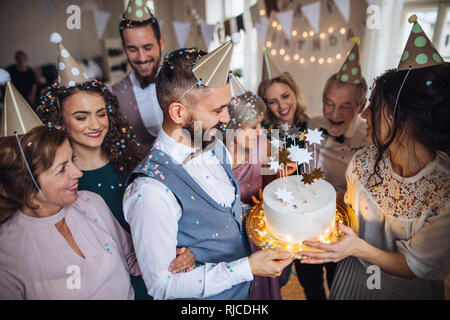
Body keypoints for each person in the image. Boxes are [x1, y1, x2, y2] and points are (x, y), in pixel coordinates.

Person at [123, 47, 293, 300]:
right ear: (178, 112)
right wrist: (247, 268)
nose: (226, 118)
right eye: (217, 110)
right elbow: (162, 286)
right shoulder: (150, 192)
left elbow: (230, 212)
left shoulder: (214, 146)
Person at [37, 35, 194, 300]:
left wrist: (185, 251)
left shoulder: (135, 164)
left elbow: (170, 219)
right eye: (81, 117)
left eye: (101, 114)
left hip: (153, 278)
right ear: (60, 122)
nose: (95, 124)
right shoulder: (58, 184)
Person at [299, 62, 450, 299]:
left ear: (403, 118)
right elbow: (349, 211)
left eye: (373, 106)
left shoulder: (444, 187)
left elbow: (415, 266)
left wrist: (357, 247)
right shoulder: (363, 160)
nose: (364, 114)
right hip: (355, 276)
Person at [0, 126, 141, 299]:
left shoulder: (91, 203)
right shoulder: (7, 252)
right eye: (61, 169)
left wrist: (173, 260)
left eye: (72, 159)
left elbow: (131, 258)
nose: (78, 173)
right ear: (25, 184)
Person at [297, 38, 369, 300]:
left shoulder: (370, 138)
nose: (333, 112)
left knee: (341, 285)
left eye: (345, 106)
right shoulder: (311, 127)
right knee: (309, 281)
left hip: (346, 229)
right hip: (308, 223)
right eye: (329, 102)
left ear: (361, 107)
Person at [224, 91, 296, 300]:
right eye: (252, 126)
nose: (259, 132)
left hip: (258, 236)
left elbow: (269, 190)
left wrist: (280, 174)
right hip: (229, 244)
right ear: (231, 127)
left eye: (260, 124)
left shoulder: (261, 144)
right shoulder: (214, 158)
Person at [111, 1, 165, 154]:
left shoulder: (181, 81)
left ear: (161, 44)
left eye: (147, 47)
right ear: (124, 49)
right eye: (132, 49)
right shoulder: (115, 96)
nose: (141, 58)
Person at [258, 72, 309, 149]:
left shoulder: (308, 125)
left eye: (285, 96)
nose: (281, 106)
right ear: (266, 105)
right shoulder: (261, 131)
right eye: (272, 102)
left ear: (295, 93)